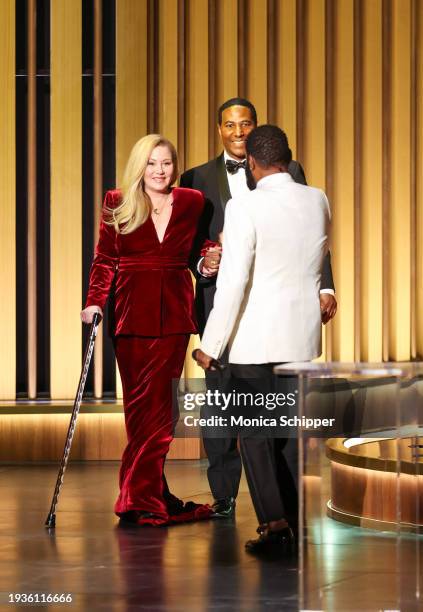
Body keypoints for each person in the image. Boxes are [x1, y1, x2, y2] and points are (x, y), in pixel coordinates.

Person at [180, 98, 336, 518]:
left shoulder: (243, 206)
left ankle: (273, 523)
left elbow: (234, 283)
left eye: (244, 124)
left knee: (252, 430)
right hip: (298, 334)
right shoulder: (318, 198)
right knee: (284, 428)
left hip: (249, 334)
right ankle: (284, 511)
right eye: (229, 124)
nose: (236, 130)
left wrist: (210, 344)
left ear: (253, 160)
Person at [81, 134, 212, 526]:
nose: (160, 171)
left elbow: (196, 247)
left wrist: (208, 257)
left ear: (175, 166)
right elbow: (104, 258)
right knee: (140, 412)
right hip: (130, 313)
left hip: (173, 313)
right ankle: (142, 495)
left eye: (166, 163)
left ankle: (140, 495)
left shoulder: (191, 201)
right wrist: (94, 301)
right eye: (152, 163)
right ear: (141, 165)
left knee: (163, 412)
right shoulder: (118, 201)